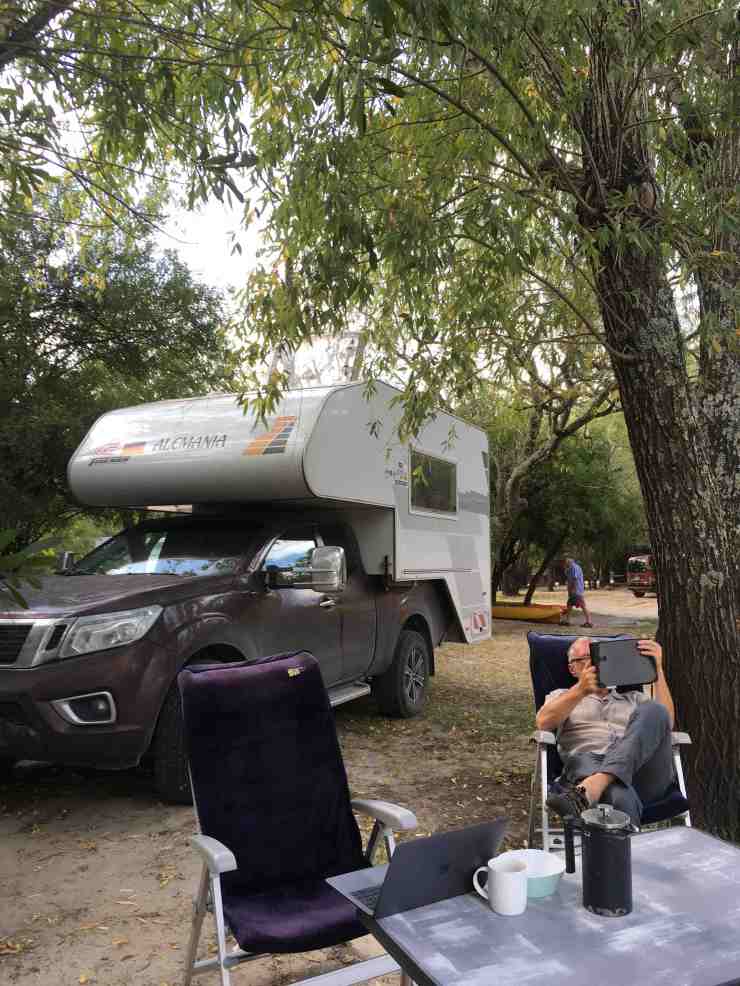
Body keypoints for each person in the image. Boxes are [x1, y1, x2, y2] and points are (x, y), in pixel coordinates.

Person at [535, 636, 675, 826]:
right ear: (572, 669)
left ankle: (596, 784)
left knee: (656, 710)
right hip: (588, 766)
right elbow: (543, 723)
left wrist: (657, 669)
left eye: (600, 658)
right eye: (586, 658)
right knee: (619, 794)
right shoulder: (561, 696)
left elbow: (667, 722)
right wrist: (581, 690)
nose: (595, 664)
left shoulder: (635, 699)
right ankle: (624, 840)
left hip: (642, 774)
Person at [563, 556, 593, 628]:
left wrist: (573, 589)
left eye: (566, 561)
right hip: (574, 591)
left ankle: (589, 622)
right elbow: (569, 578)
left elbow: (575, 579)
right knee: (569, 605)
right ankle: (567, 621)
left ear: (570, 561)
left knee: (582, 605)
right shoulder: (570, 568)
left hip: (576, 591)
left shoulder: (574, 567)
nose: (565, 563)